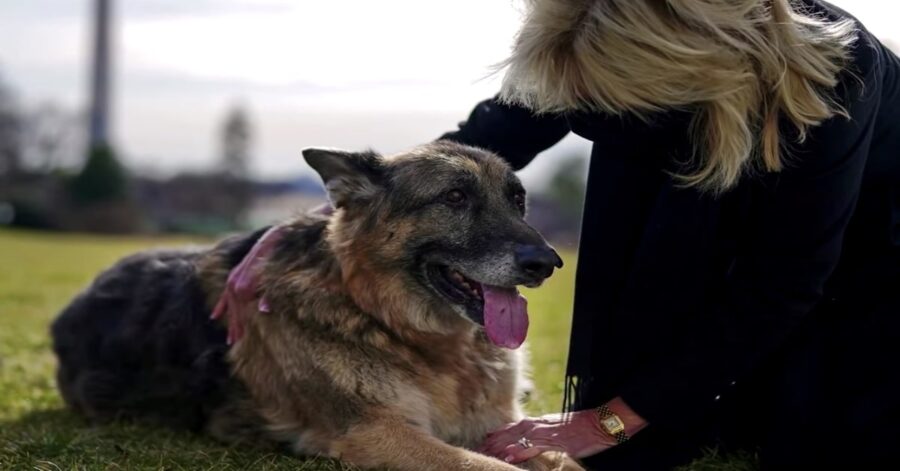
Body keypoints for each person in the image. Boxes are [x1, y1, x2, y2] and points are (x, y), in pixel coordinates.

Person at [214, 0, 900, 469]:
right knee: (656, 432)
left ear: (683, 74)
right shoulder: (587, 32)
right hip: (697, 204)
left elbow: (783, 279)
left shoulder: (837, 74)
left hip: (867, 261)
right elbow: (480, 142)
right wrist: (313, 226)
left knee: (818, 436)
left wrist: (604, 420)